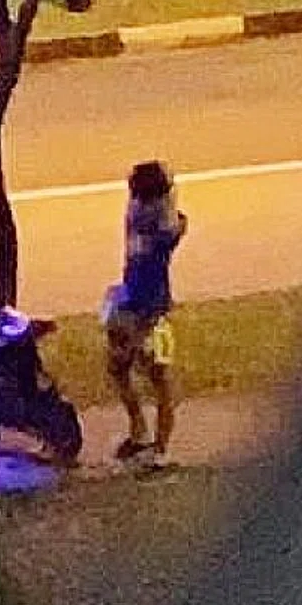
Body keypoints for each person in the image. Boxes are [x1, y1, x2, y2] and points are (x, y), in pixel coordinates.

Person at [104, 161, 189, 467]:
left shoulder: (136, 213)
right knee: (152, 377)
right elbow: (179, 223)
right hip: (146, 307)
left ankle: (149, 439)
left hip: (139, 307)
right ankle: (154, 444)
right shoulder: (165, 225)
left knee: (139, 372)